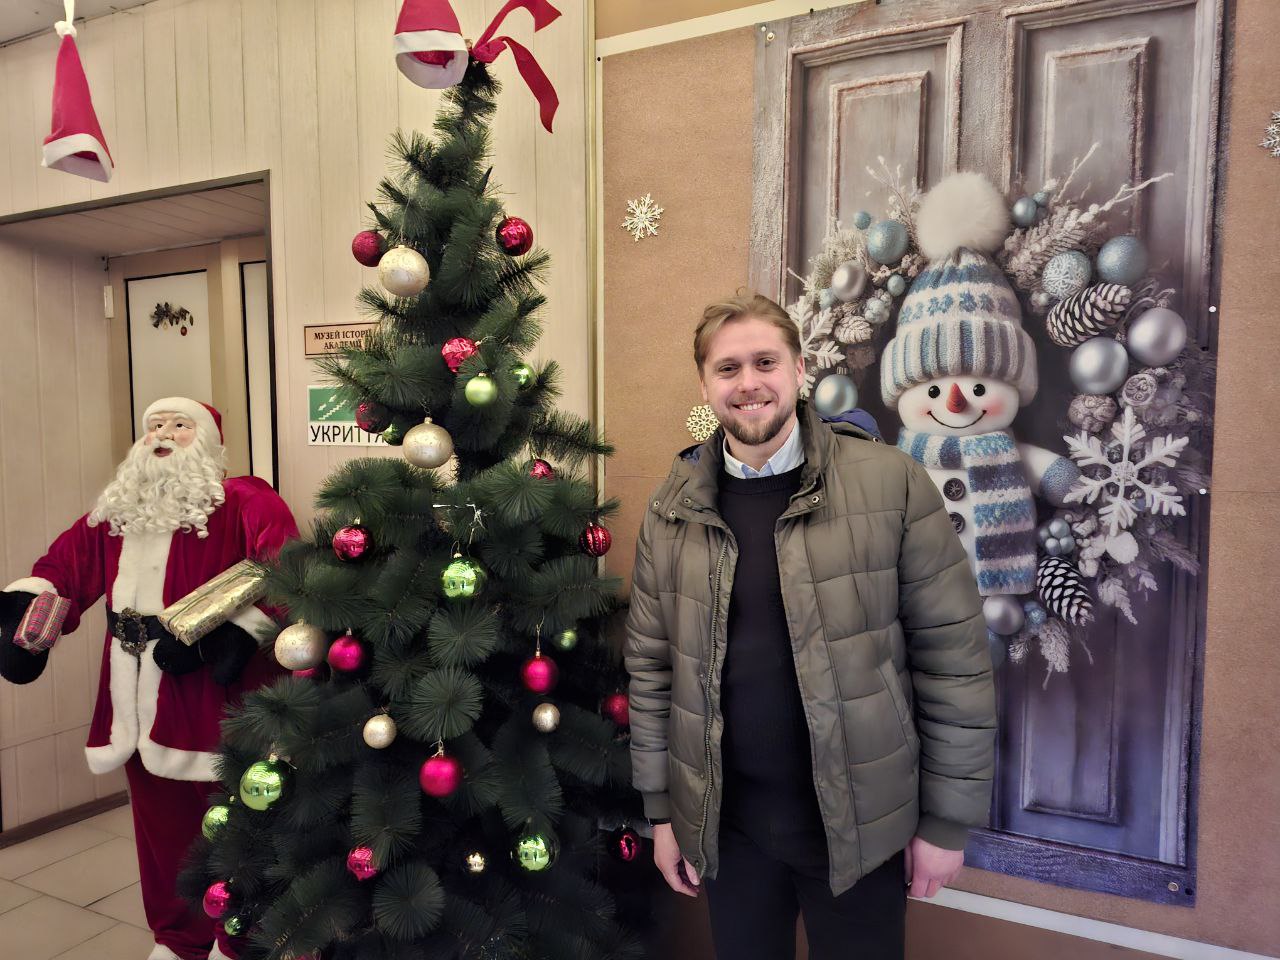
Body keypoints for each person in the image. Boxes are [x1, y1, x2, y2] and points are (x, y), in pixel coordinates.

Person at [624, 294, 996, 960]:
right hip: (730, 832)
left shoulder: (891, 483)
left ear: (799, 370)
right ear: (705, 385)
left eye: (765, 362)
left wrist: (945, 823)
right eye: (727, 368)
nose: (748, 382)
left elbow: (953, 658)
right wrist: (663, 813)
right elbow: (653, 670)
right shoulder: (672, 507)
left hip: (859, 828)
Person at [0, 398, 298, 960]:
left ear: (207, 440)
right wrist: (30, 611)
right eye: (154, 426)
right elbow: (63, 569)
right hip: (131, 695)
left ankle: (240, 942)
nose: (163, 434)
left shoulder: (245, 501)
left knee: (236, 824)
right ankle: (179, 939)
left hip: (212, 691)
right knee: (161, 835)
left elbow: (286, 569)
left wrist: (234, 634)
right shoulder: (119, 512)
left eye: (180, 425)